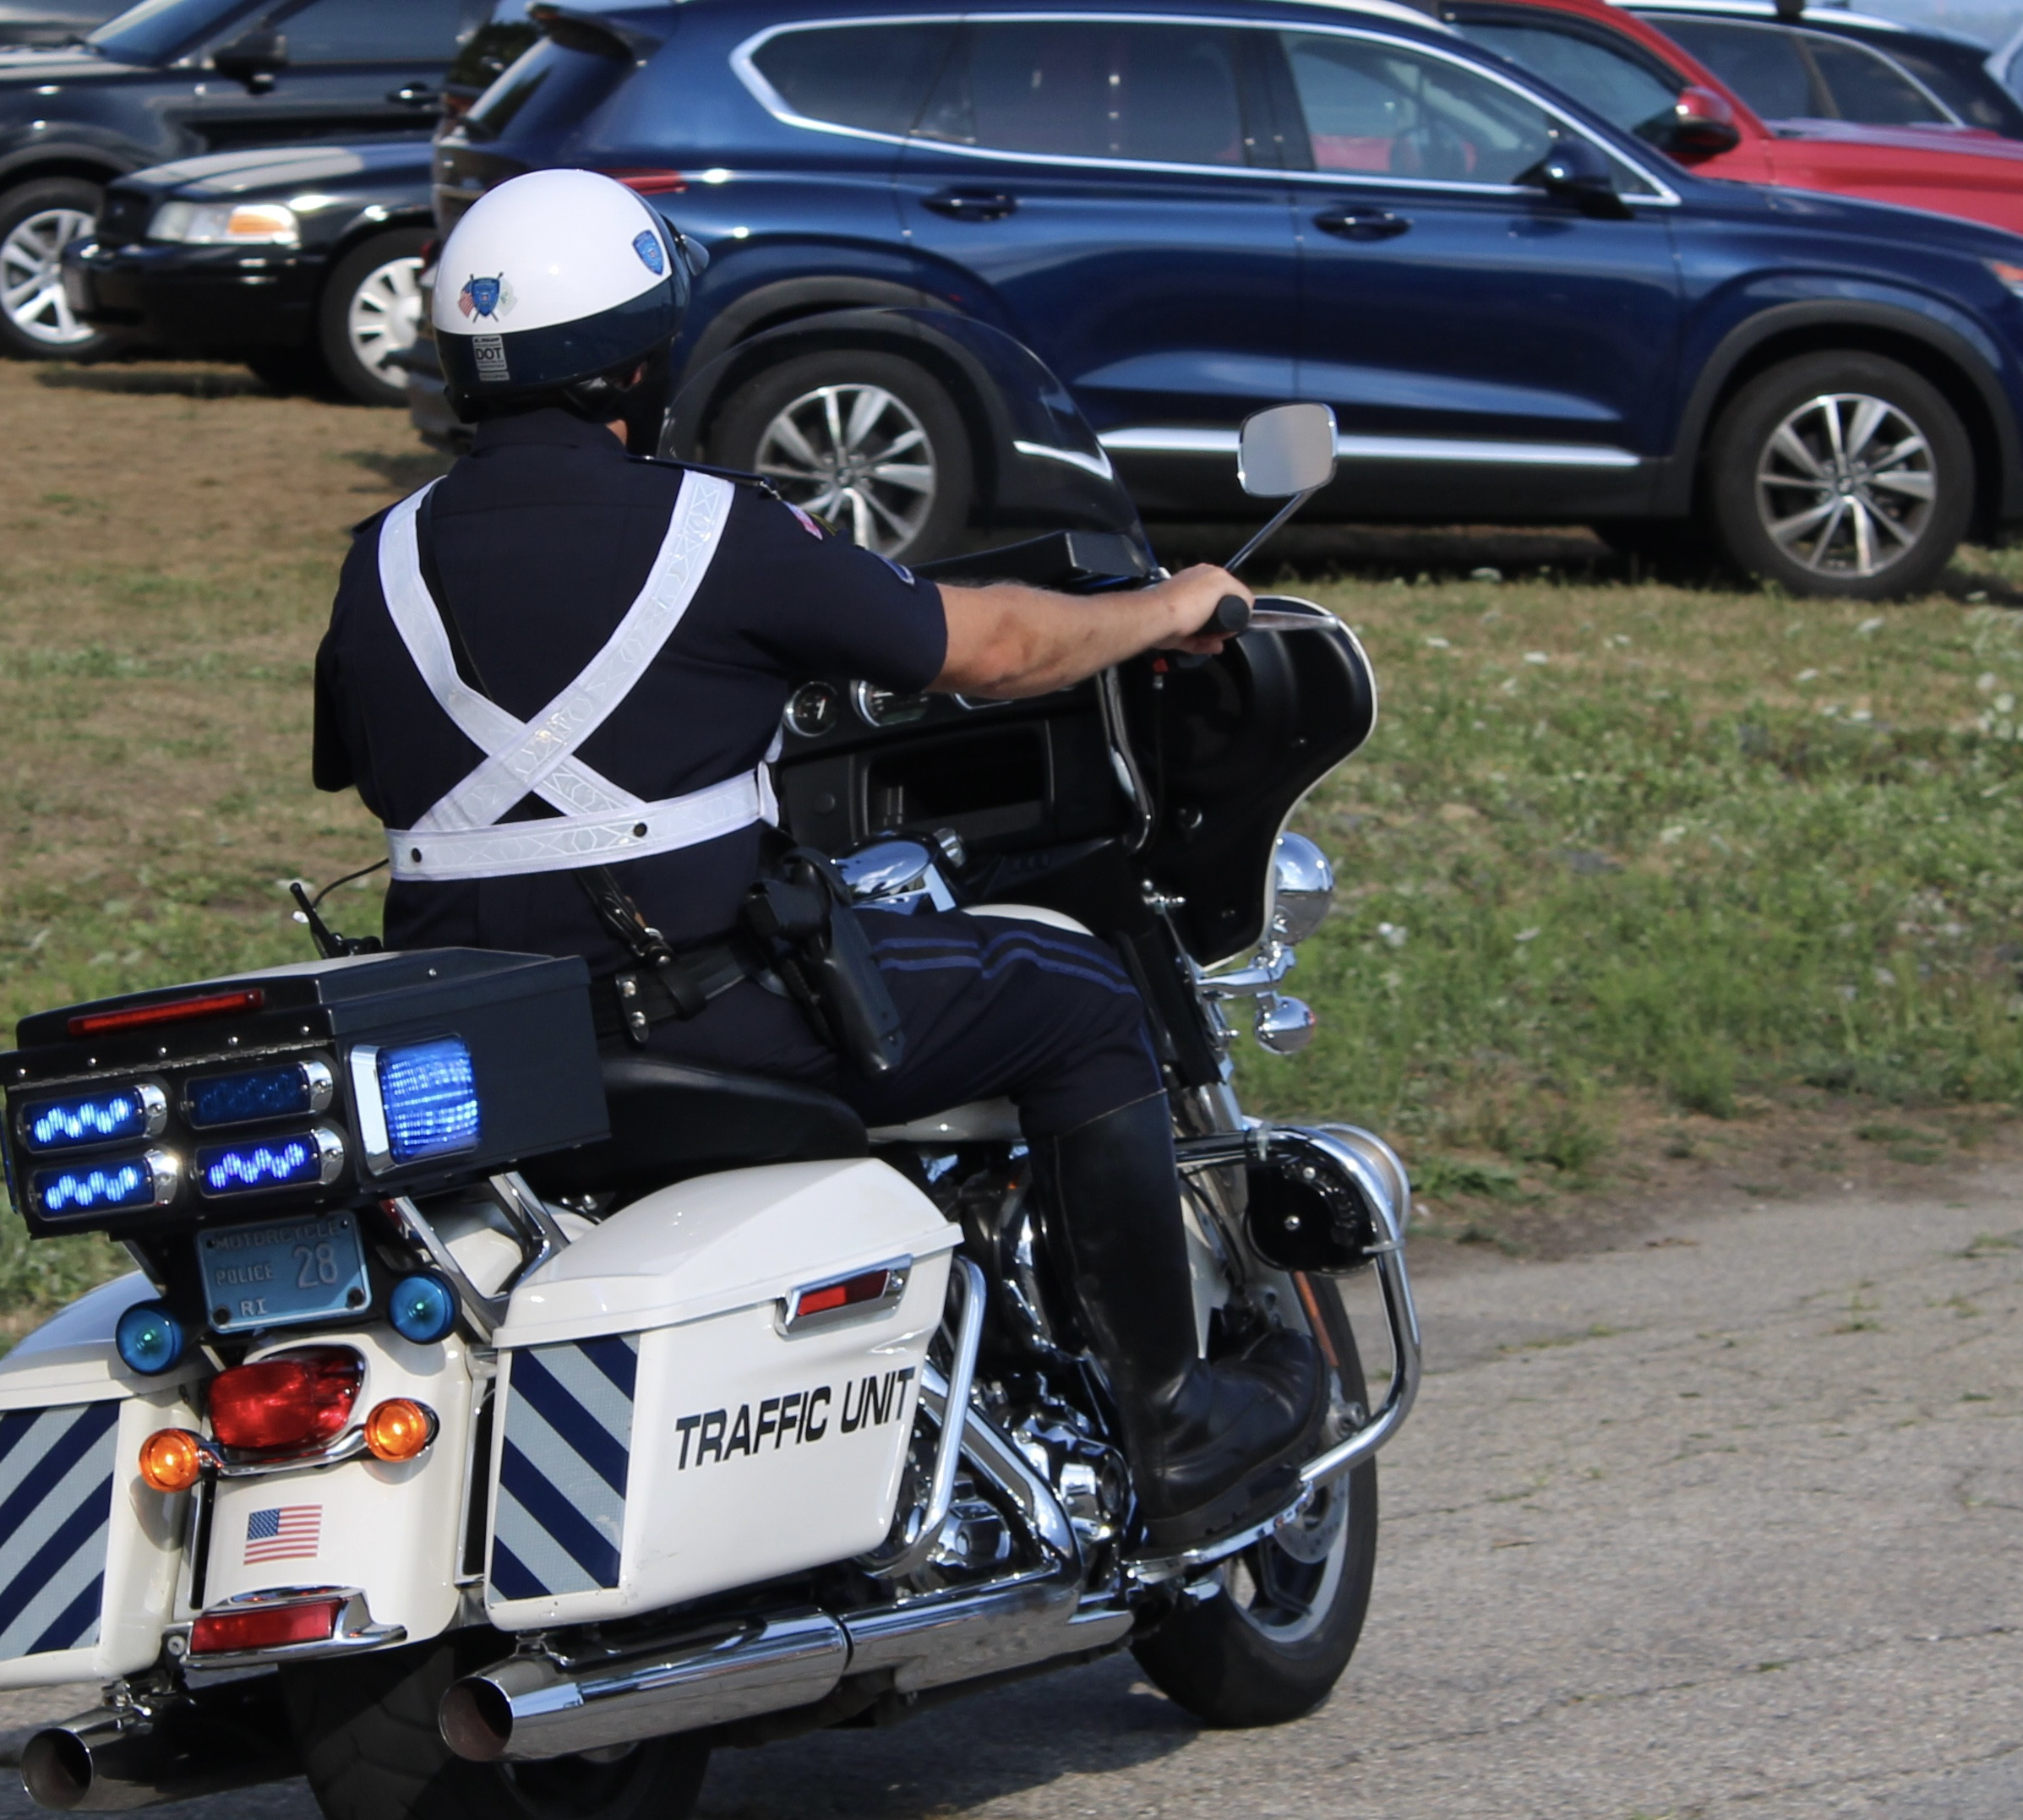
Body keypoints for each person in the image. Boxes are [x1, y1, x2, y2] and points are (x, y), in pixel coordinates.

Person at [309, 169, 1321, 1554]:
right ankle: (1173, 1424)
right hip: (708, 1019)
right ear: (640, 357)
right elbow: (994, 648)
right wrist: (1165, 608)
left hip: (483, 1055)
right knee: (1076, 994)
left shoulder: (384, 560)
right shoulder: (706, 527)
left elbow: (379, 763)